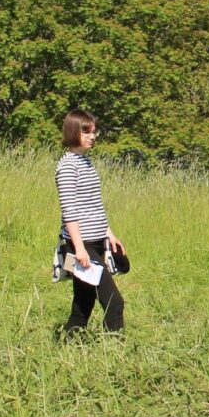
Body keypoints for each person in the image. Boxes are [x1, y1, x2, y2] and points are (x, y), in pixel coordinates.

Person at [55, 109, 127, 339]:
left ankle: (69, 344)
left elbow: (93, 204)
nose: (92, 136)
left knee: (83, 303)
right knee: (114, 302)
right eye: (86, 131)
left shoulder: (85, 162)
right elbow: (70, 211)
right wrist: (79, 250)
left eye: (94, 131)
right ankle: (115, 353)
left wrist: (110, 234)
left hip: (95, 242)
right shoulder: (68, 166)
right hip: (79, 245)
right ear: (73, 131)